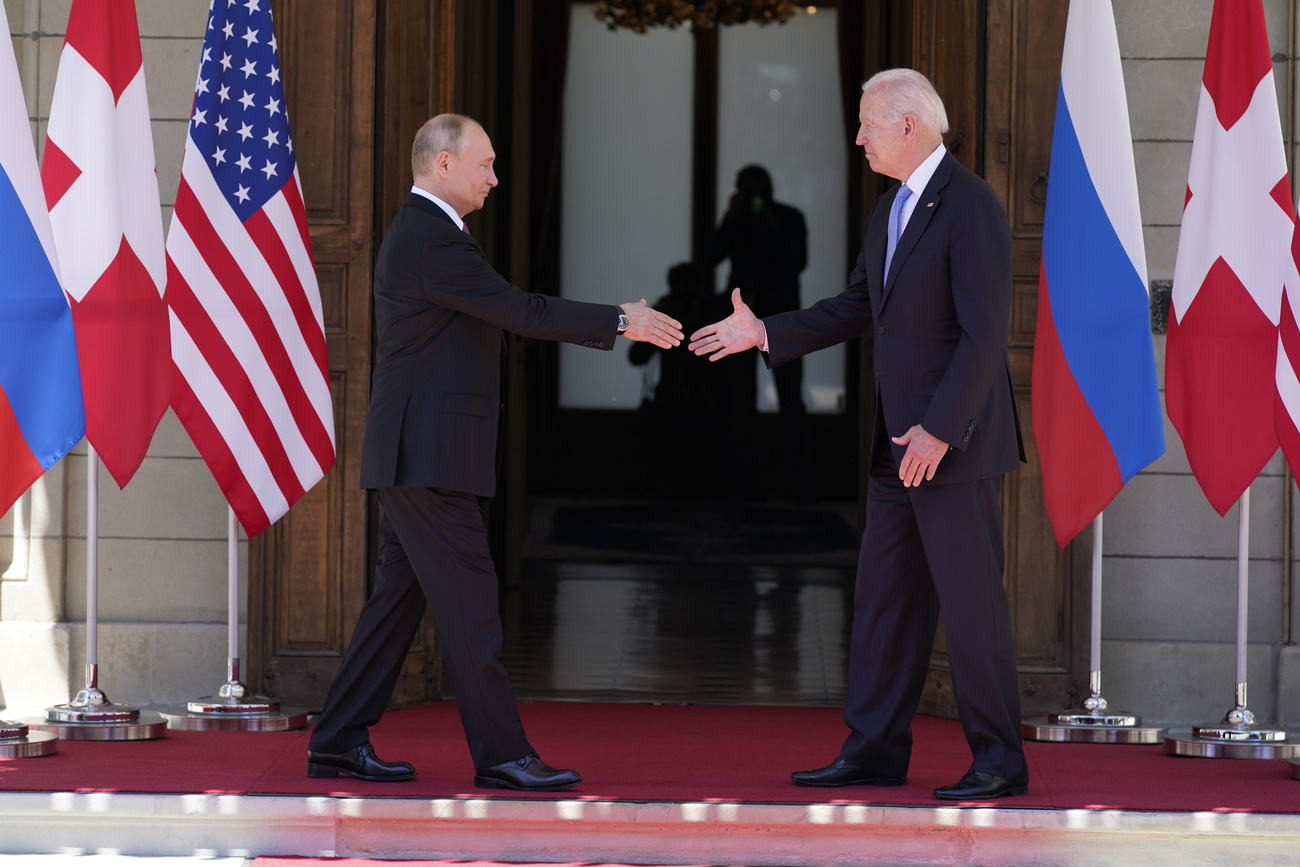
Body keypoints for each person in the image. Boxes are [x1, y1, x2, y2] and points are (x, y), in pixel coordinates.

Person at [305, 113, 683, 792]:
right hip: (428, 456)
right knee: (474, 605)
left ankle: (336, 738)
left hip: (421, 453)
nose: (494, 177)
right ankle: (502, 753)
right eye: (485, 163)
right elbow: (521, 310)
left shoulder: (434, 233)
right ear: (444, 164)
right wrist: (620, 320)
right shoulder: (430, 238)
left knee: (397, 601)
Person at [689, 69, 1028, 801]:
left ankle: (1000, 759)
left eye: (869, 122)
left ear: (909, 124)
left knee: (971, 606)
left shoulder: (971, 206)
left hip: (949, 443)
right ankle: (874, 748)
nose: (859, 136)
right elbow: (854, 306)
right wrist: (764, 333)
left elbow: (982, 337)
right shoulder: (888, 211)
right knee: (884, 600)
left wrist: (939, 429)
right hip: (895, 446)